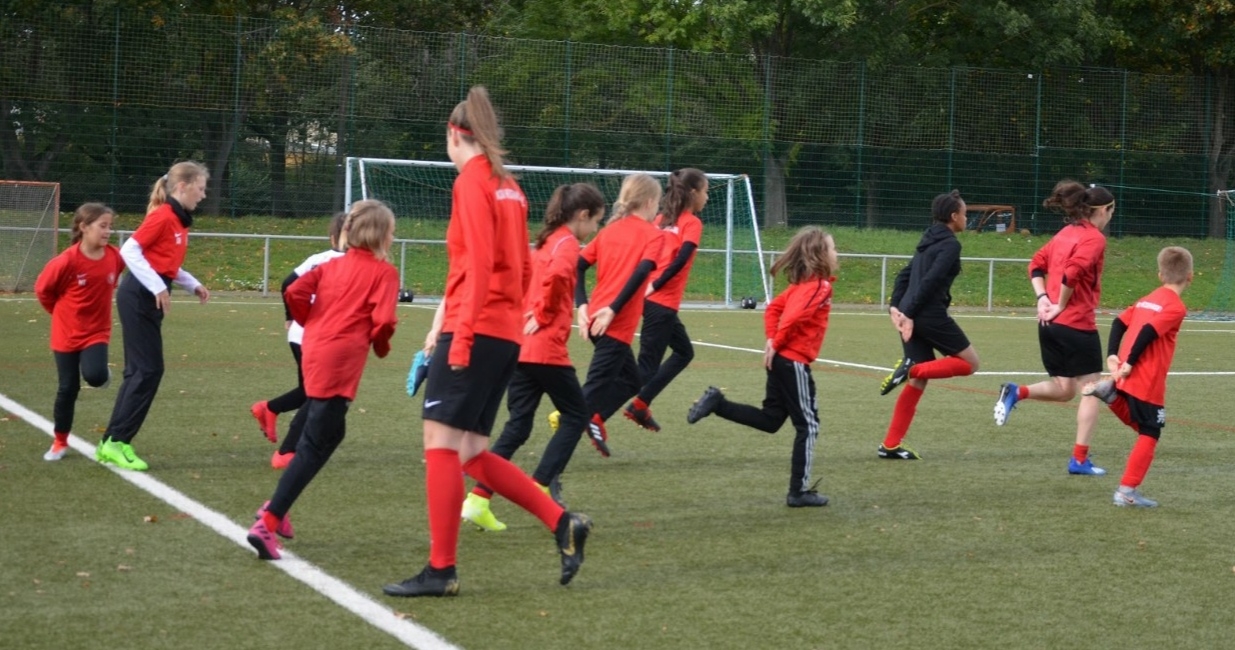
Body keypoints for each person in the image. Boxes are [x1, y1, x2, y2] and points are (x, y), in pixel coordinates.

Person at [383, 86, 592, 598]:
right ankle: (561, 522)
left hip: (472, 330)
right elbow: (523, 266)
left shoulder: (472, 183)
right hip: (501, 335)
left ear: (455, 136)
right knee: (472, 451)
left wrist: (460, 339)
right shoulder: (511, 187)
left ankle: (441, 570)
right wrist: (510, 321)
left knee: (440, 446)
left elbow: (478, 262)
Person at [246, 200, 399, 559]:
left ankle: (277, 507)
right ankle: (268, 521)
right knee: (316, 442)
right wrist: (379, 345)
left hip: (315, 350)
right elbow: (385, 321)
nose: (393, 238)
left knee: (332, 432)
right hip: (339, 361)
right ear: (380, 235)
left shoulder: (331, 265)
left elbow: (294, 291)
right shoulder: (384, 273)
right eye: (392, 232)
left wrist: (311, 321)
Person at [462, 183, 606, 532]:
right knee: (576, 416)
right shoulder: (566, 244)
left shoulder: (543, 242)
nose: (595, 229)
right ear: (582, 215)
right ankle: (539, 489)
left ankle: (478, 500)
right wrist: (541, 314)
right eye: (596, 222)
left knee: (519, 425)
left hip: (521, 346)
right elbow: (557, 277)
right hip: (545, 349)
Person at [684, 225, 837, 507]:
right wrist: (776, 342)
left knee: (771, 420)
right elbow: (793, 318)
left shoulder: (800, 287)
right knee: (808, 426)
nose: (836, 253)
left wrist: (771, 341)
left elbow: (774, 309)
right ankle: (798, 492)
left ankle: (718, 404)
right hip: (793, 362)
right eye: (832, 248)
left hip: (780, 361)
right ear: (820, 254)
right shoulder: (819, 287)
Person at [992, 181, 1116, 476]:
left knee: (1064, 390)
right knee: (1091, 390)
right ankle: (1079, 460)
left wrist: (1042, 299)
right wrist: (1058, 303)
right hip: (1075, 325)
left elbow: (1035, 265)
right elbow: (1072, 273)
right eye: (1112, 210)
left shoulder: (1065, 233)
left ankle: (1016, 392)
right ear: (1103, 210)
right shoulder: (1094, 238)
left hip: (1049, 326)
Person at [97, 162, 211, 471]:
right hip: (139, 296)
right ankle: (117, 441)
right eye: (200, 188)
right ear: (182, 187)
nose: (203, 195)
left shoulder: (177, 220)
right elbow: (130, 251)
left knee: (139, 371)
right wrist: (157, 287)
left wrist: (192, 284)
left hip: (145, 297)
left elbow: (164, 263)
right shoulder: (163, 215)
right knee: (148, 370)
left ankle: (110, 442)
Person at [1083, 246, 1191, 507]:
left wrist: (1113, 355)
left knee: (1143, 426)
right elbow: (1149, 332)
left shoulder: (1147, 299)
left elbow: (1119, 322)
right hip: (1146, 378)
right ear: (1190, 276)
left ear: (1160, 275)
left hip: (1126, 375)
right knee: (1151, 431)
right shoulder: (1176, 307)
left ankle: (1111, 394)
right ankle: (1126, 492)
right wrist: (1130, 363)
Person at [876, 190, 981, 459]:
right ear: (954, 216)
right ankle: (910, 368)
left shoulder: (927, 239)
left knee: (920, 380)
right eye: (965, 214)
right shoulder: (950, 245)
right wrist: (908, 313)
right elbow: (931, 280)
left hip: (911, 312)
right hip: (927, 314)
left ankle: (890, 444)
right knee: (970, 363)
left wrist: (896, 308)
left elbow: (904, 276)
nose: (966, 218)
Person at [571, 173, 665, 457]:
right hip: (612, 324)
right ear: (649, 202)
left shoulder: (610, 231)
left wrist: (582, 305)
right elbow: (641, 272)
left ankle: (591, 419)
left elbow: (577, 265)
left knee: (631, 380)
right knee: (590, 392)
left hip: (600, 319)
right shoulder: (653, 235)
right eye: (658, 202)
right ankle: (554, 461)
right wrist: (613, 309)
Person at [250, 212, 348, 469]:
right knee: (317, 394)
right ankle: (287, 450)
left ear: (332, 237)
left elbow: (288, 284)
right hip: (319, 338)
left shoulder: (317, 259)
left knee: (309, 391)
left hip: (299, 334)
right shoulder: (349, 264)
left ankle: (269, 409)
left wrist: (290, 316)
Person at [34, 203, 125, 461]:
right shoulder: (66, 261)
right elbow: (43, 290)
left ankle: (100, 373)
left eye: (110, 226)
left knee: (95, 376)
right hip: (65, 333)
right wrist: (59, 314)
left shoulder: (115, 257)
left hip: (97, 331)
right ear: (84, 227)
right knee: (67, 387)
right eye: (102, 226)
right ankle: (60, 442)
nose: (108, 231)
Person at [623, 168, 707, 432]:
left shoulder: (660, 219)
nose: (706, 197)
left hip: (651, 299)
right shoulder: (691, 223)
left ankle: (640, 404)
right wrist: (656, 284)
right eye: (705, 191)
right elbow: (681, 259)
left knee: (684, 352)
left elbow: (643, 252)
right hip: (661, 302)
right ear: (693, 192)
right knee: (644, 369)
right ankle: (588, 411)